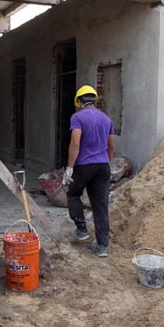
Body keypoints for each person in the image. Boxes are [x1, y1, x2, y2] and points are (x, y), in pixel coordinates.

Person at [63, 85, 115, 257]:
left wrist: (70, 168)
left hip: (84, 165)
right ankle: (102, 246)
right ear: (94, 100)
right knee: (100, 205)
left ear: (79, 102)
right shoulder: (107, 119)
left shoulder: (77, 117)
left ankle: (81, 229)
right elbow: (111, 146)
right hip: (102, 166)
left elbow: (75, 143)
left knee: (72, 193)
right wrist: (105, 162)